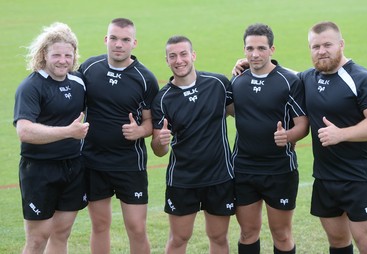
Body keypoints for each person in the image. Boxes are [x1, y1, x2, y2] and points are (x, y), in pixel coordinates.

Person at [232, 21, 367, 254]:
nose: (321, 51)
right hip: (326, 177)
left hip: (360, 177)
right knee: (337, 242)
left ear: (341, 44)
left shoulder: (362, 79)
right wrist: (250, 62)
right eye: (315, 46)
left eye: (327, 45)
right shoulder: (309, 77)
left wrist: (341, 134)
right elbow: (278, 76)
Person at [78, 18, 159, 254]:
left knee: (136, 228)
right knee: (100, 225)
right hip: (93, 162)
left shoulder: (145, 78)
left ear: (134, 43)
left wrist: (140, 132)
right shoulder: (89, 69)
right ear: (106, 39)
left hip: (129, 165)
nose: (118, 44)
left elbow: (150, 122)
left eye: (125, 40)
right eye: (113, 38)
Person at [227, 23, 309, 254]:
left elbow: (302, 125)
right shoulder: (236, 80)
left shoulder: (288, 80)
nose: (255, 54)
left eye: (261, 48)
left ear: (272, 49)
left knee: (282, 235)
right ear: (243, 50)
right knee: (247, 233)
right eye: (250, 48)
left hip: (280, 170)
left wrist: (288, 136)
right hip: (243, 169)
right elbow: (228, 110)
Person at [151, 35, 235, 254]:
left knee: (218, 237)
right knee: (179, 239)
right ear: (167, 60)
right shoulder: (162, 99)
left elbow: (240, 112)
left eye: (183, 54)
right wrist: (160, 143)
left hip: (219, 176)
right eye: (173, 56)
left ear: (193, 55)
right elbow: (159, 151)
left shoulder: (218, 84)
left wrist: (241, 73)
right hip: (183, 179)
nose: (179, 60)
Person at [13, 22, 89, 254]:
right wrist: (69, 132)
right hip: (39, 171)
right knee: (37, 240)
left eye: (68, 55)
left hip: (73, 167)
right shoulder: (31, 87)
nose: (63, 60)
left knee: (61, 234)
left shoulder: (78, 82)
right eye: (56, 55)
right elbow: (24, 131)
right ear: (44, 54)